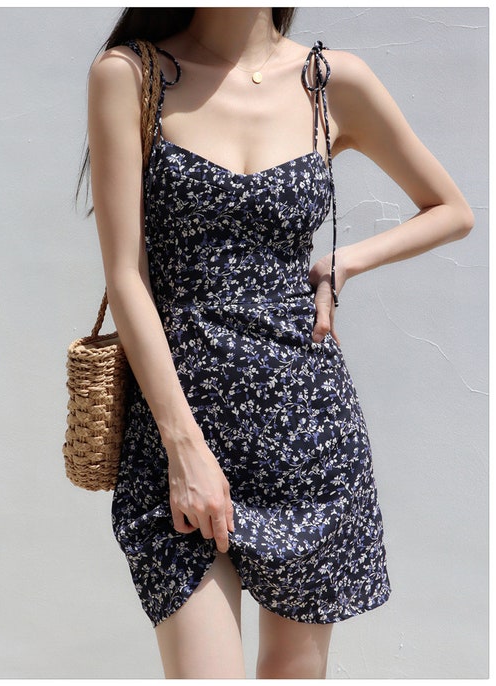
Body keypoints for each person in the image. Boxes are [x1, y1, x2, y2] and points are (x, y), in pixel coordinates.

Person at [80, 7, 473, 679]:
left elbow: (452, 210)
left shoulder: (331, 81)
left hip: (308, 428)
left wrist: (344, 262)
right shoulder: (131, 75)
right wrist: (183, 447)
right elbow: (126, 277)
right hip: (180, 432)